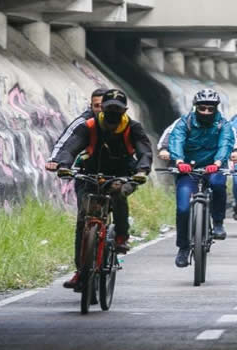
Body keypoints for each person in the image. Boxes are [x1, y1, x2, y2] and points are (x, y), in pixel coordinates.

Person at [46, 89, 153, 288]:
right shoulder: (89, 125)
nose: (113, 113)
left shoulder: (133, 127)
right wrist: (63, 166)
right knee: (83, 219)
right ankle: (81, 271)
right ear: (101, 108)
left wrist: (142, 171)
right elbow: (70, 147)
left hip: (123, 175)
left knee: (119, 192)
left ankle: (121, 236)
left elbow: (144, 152)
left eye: (117, 110)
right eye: (109, 108)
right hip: (90, 175)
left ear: (125, 110)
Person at [168, 88, 234, 268]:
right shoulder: (185, 122)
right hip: (188, 169)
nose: (206, 112)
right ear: (196, 107)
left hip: (214, 167)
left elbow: (225, 143)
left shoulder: (223, 125)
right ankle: (183, 247)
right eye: (202, 108)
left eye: (210, 109)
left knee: (217, 184)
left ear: (216, 109)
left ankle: (218, 223)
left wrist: (219, 162)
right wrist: (179, 160)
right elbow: (176, 140)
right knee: (183, 208)